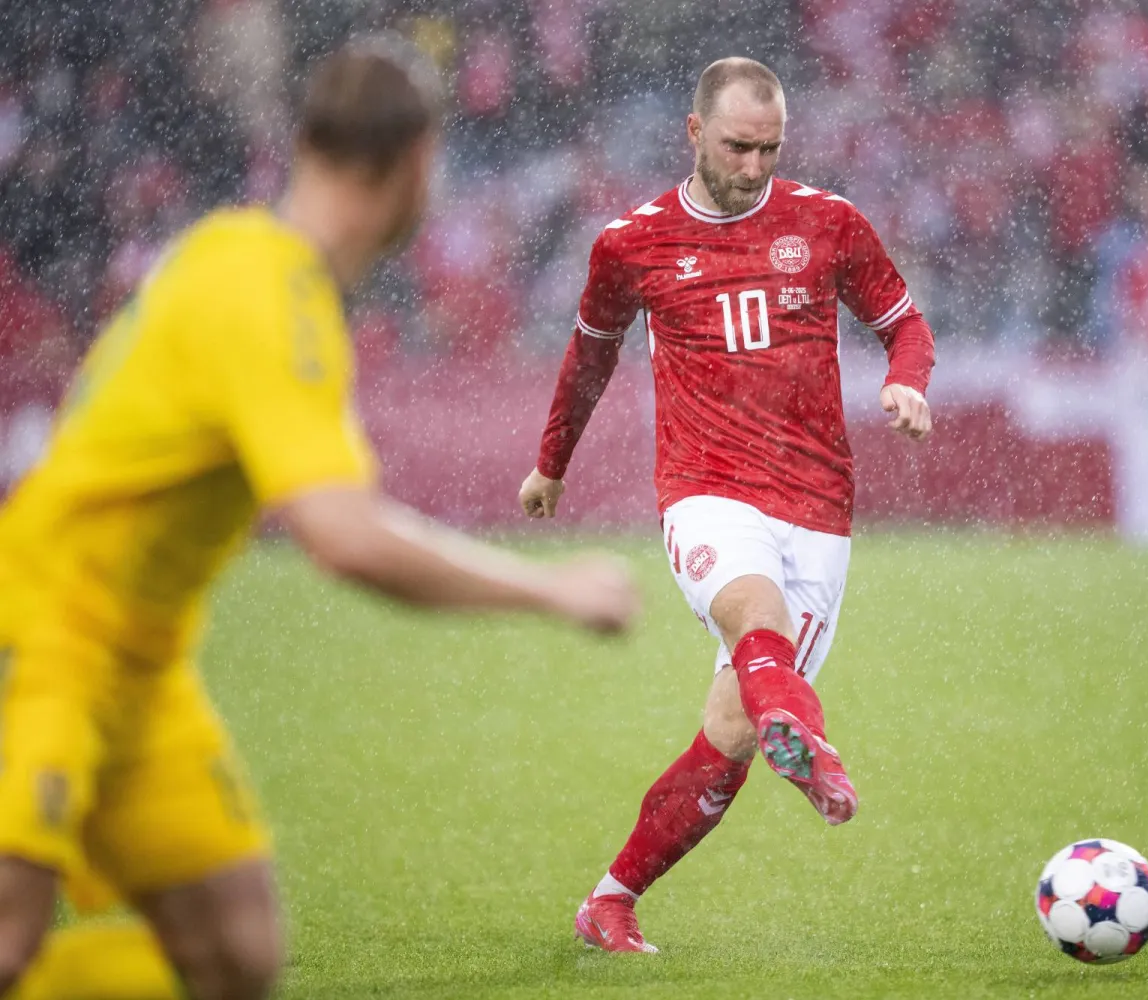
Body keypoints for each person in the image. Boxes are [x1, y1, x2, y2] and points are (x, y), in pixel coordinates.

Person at [0, 38, 638, 1000]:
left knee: (232, 958)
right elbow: (344, 535)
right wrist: (551, 588)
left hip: (137, 664)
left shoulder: (236, 254)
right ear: (415, 161)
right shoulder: (271, 294)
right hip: (36, 644)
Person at [519, 57, 935, 954]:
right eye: (739, 147)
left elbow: (904, 322)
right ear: (695, 132)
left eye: (771, 148)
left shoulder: (826, 223)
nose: (754, 167)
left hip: (819, 506)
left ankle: (612, 900)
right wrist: (551, 465)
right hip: (705, 490)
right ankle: (809, 740)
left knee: (730, 730)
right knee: (754, 614)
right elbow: (588, 359)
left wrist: (906, 383)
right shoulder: (631, 244)